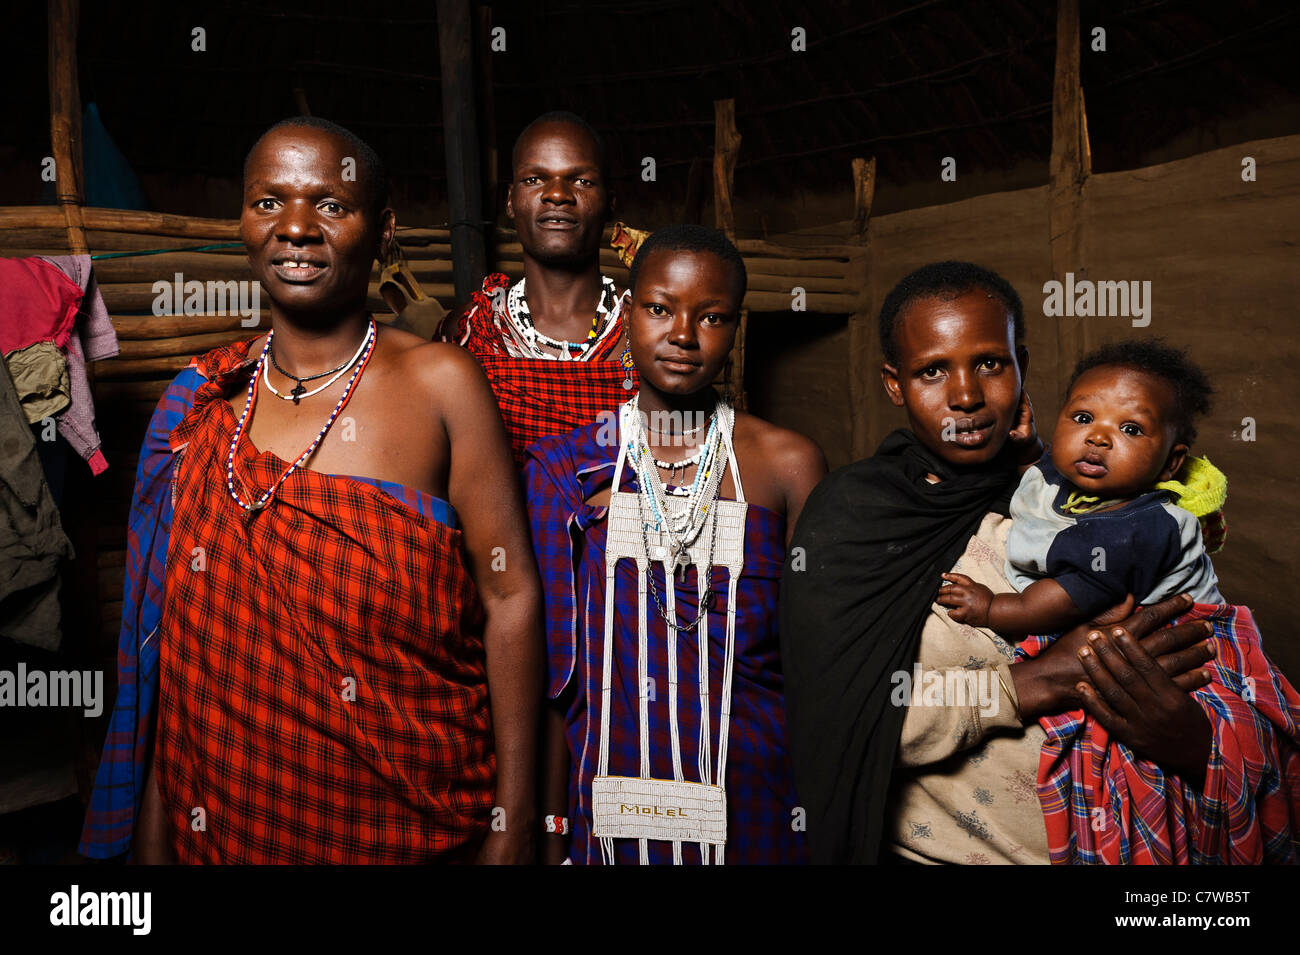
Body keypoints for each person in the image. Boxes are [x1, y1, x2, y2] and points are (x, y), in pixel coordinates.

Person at [80, 117, 543, 864]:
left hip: (414, 829)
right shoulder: (201, 408)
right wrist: (156, 840)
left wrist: (513, 822)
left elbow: (510, 595)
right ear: (243, 222)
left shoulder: (441, 385)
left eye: (331, 204)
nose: (296, 227)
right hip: (227, 835)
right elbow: (175, 662)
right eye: (271, 202)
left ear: (382, 229)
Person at [780, 260, 1300, 864]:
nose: (967, 395)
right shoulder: (858, 518)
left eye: (990, 364)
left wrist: (1190, 740)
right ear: (895, 385)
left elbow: (1222, 671)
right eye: (931, 371)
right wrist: (1037, 680)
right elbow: (841, 720)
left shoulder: (1098, 500)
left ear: (1020, 364)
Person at [524, 225, 826, 864]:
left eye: (711, 317)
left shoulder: (787, 464)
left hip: (753, 801)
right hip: (605, 809)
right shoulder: (567, 469)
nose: (683, 335)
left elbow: (814, 667)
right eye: (660, 308)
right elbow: (552, 684)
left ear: (736, 330)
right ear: (628, 314)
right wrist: (550, 831)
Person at [938, 339, 1225, 637]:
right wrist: (1027, 448)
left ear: (1170, 463)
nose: (1098, 437)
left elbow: (1062, 602)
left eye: (1130, 429)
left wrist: (991, 608)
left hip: (1189, 638)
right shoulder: (1072, 477)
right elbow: (1042, 476)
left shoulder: (1138, 530)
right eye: (1083, 418)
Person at [440, 111, 636, 465]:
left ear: (611, 202)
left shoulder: (646, 329)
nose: (558, 194)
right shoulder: (471, 331)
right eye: (534, 179)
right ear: (510, 201)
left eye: (582, 181)